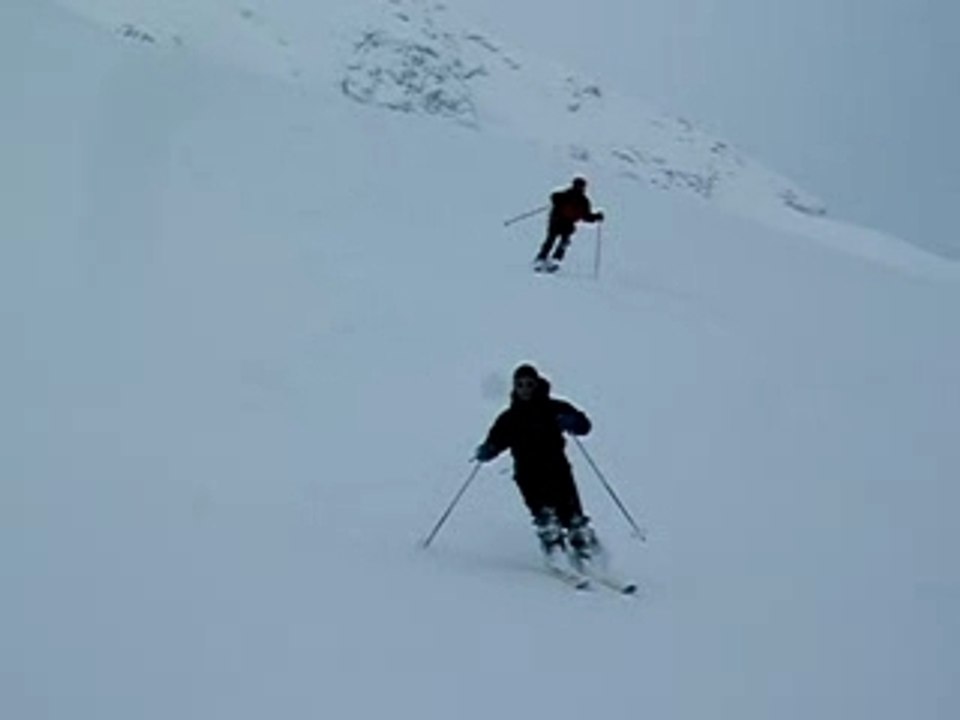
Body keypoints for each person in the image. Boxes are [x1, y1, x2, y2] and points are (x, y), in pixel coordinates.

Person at [474, 363, 600, 566]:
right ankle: (555, 550)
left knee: (573, 517)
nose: (525, 389)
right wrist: (487, 451)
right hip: (528, 473)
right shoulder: (509, 418)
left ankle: (588, 552)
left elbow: (584, 426)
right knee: (546, 517)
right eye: (520, 385)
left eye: (529, 384)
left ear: (537, 384)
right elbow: (496, 441)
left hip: (558, 468)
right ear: (515, 388)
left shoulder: (554, 408)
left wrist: (572, 422)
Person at [534, 176, 605, 269]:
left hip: (560, 221)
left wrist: (595, 217)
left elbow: (554, 197)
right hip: (561, 221)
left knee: (554, 240)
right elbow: (586, 216)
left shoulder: (574, 197)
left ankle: (545, 258)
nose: (580, 188)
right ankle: (552, 259)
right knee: (559, 241)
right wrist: (596, 217)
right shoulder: (582, 200)